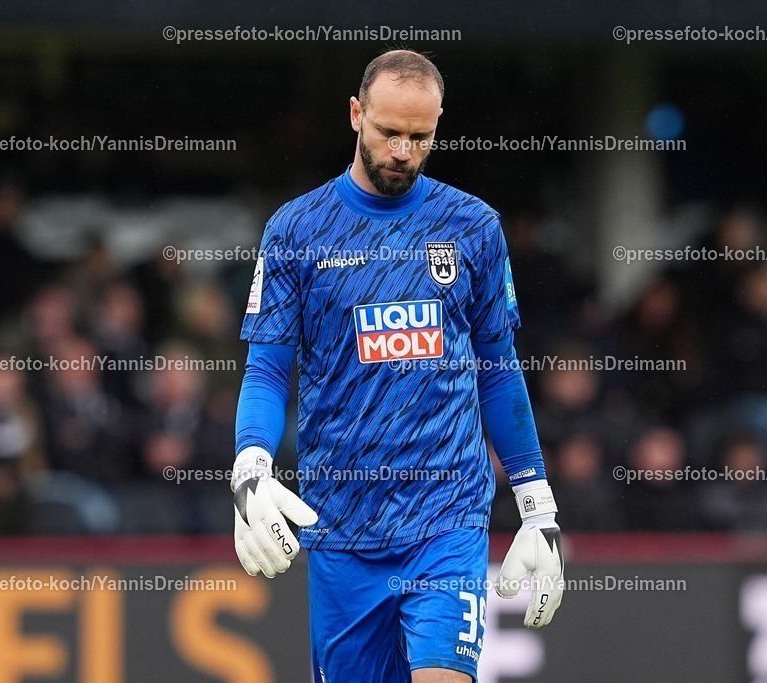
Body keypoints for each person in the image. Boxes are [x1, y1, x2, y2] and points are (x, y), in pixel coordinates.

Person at [232, 50, 563, 683]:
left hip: (447, 516)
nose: (403, 152)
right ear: (356, 114)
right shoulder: (296, 231)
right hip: (341, 521)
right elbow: (268, 369)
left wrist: (537, 504)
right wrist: (251, 467)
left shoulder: (473, 227)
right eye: (389, 133)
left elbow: (497, 367)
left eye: (420, 137)